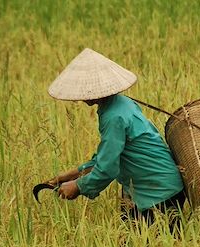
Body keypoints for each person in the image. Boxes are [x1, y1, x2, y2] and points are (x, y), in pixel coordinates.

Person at [45, 48, 185, 232]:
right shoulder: (120, 103)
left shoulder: (114, 117)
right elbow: (107, 157)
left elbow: (108, 168)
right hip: (147, 189)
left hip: (158, 193)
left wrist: (78, 186)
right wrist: (72, 175)